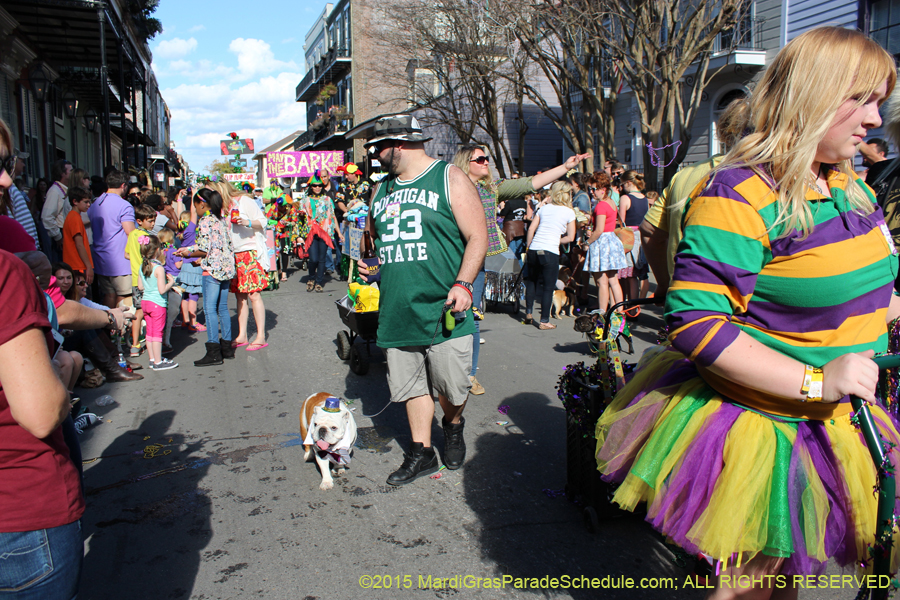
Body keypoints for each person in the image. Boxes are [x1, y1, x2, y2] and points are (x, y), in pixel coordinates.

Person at [594, 26, 900, 598]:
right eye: (862, 99)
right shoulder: (739, 194)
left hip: (844, 422)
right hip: (766, 429)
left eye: (880, 101)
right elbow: (697, 324)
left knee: (782, 582)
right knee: (748, 589)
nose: (875, 120)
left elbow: (874, 293)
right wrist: (816, 381)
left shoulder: (850, 185)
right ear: (813, 95)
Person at [358, 114, 487, 485]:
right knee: (410, 386)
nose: (376, 156)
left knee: (452, 387)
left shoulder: (449, 178)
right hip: (398, 308)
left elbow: (478, 236)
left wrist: (463, 284)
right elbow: (375, 238)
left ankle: (453, 422)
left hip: (444, 307)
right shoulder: (380, 190)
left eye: (379, 148)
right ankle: (421, 452)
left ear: (398, 144)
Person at [452, 144, 590, 393]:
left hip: (480, 259)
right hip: (453, 258)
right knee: (451, 314)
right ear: (465, 163)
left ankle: (469, 374)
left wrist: (565, 167)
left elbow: (530, 184)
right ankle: (444, 364)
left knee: (471, 316)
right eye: (480, 159)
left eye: (487, 158)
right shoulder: (450, 188)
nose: (486, 162)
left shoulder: (492, 189)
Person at [640, 97, 745, 299]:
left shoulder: (685, 175)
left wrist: (663, 283)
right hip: (742, 311)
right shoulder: (766, 175)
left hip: (685, 300)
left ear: (722, 133)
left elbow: (649, 232)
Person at [175, 188, 236, 366]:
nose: (195, 210)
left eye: (195, 206)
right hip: (225, 269)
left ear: (202, 204)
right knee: (222, 309)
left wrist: (187, 254)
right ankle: (227, 348)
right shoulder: (222, 219)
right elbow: (216, 245)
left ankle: (213, 351)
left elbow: (204, 249)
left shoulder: (205, 221)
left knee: (209, 310)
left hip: (211, 271)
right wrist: (192, 250)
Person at [213, 181, 269, 351]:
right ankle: (242, 334)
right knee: (239, 296)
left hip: (250, 251)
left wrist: (247, 222)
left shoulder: (244, 201)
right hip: (233, 254)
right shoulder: (221, 207)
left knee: (254, 295)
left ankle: (260, 335)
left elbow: (263, 221)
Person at [523, 181, 577, 329]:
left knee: (532, 281)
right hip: (550, 250)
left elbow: (531, 229)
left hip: (534, 248)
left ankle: (528, 313)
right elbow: (571, 237)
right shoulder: (569, 212)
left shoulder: (544, 208)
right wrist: (557, 240)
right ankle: (544, 321)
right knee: (548, 287)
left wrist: (528, 247)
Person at [89, 170, 136, 311]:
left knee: (109, 295)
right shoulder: (124, 205)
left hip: (101, 258)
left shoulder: (95, 203)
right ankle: (120, 330)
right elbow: (131, 233)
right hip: (121, 260)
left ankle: (107, 327)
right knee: (124, 296)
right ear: (123, 185)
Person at [582, 172, 626, 314]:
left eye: (594, 189)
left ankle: (602, 312)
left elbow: (599, 230)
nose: (592, 192)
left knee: (602, 282)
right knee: (613, 280)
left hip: (603, 243)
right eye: (591, 189)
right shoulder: (611, 202)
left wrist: (587, 241)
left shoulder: (601, 205)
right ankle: (618, 311)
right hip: (612, 241)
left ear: (603, 189)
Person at [138, 234, 178, 371]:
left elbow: (140, 286)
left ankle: (152, 359)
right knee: (157, 334)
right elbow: (162, 290)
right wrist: (171, 282)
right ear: (157, 250)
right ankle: (158, 361)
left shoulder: (142, 266)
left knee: (149, 332)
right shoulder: (158, 268)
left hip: (145, 302)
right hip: (157, 304)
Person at [124, 204, 158, 357]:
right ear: (139, 220)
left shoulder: (132, 235)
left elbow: (127, 254)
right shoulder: (147, 238)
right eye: (150, 221)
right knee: (151, 310)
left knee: (139, 311)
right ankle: (154, 340)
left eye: (153, 220)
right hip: (147, 278)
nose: (152, 224)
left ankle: (135, 344)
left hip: (135, 279)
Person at [300, 174, 342, 292]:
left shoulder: (327, 200)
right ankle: (311, 278)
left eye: (319, 185)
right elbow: (299, 219)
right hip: (311, 232)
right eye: (315, 185)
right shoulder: (305, 200)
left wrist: (339, 233)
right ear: (311, 187)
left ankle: (319, 281)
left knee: (322, 258)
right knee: (313, 259)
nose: (317, 188)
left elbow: (333, 217)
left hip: (325, 232)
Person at [616, 170, 648, 307]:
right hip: (641, 237)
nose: (622, 188)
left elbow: (621, 221)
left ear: (629, 183)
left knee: (628, 276)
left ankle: (625, 305)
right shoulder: (644, 198)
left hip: (628, 237)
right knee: (636, 274)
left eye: (623, 184)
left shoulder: (625, 198)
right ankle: (634, 306)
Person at [176, 205, 205, 332]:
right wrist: (194, 193)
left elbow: (179, 214)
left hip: (185, 266)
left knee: (186, 295)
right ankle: (193, 322)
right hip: (194, 266)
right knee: (194, 295)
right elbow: (194, 212)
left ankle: (185, 320)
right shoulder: (191, 231)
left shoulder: (182, 232)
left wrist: (179, 200)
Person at [41, 159, 74, 261]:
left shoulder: (64, 189)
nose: (73, 173)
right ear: (62, 173)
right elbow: (47, 216)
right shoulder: (54, 191)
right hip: (60, 235)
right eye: (71, 171)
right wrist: (58, 236)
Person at [62, 186, 94, 284]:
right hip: (78, 265)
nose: (88, 205)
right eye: (85, 202)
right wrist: (88, 266)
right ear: (75, 201)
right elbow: (79, 244)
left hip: (77, 264)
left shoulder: (74, 216)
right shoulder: (74, 218)